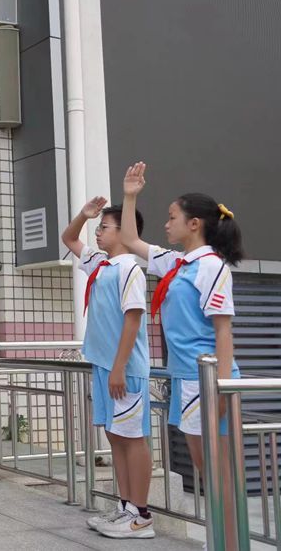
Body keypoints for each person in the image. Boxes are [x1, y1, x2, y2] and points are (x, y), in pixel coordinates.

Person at [119, 162, 243, 549]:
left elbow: (223, 330)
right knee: (207, 470)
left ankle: (230, 543)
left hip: (208, 379)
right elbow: (130, 239)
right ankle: (221, 541)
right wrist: (130, 196)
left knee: (220, 472)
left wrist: (221, 389)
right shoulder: (176, 263)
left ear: (194, 224)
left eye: (172, 217)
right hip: (187, 378)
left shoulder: (211, 267)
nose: (166, 224)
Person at [62, 199, 154, 539]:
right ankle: (126, 505)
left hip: (124, 370)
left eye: (104, 227)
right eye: (98, 227)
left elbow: (133, 319)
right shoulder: (100, 264)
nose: (97, 233)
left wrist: (119, 367)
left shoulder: (130, 269)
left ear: (124, 231)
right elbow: (69, 238)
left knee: (133, 438)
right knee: (116, 437)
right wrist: (83, 216)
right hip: (104, 366)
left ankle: (141, 515)